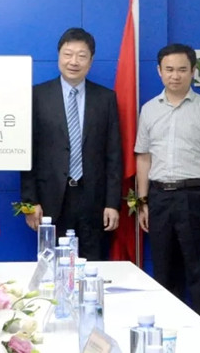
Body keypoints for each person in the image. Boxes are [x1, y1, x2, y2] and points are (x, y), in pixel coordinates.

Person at [134, 44, 200, 316]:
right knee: (164, 268)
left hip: (195, 197)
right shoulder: (149, 110)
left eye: (181, 69)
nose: (175, 75)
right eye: (169, 69)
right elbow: (143, 158)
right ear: (159, 71)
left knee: (199, 269)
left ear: (193, 71)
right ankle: (167, 327)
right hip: (159, 197)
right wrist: (142, 202)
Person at [20, 27, 122, 260]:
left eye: (81, 56)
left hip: (94, 199)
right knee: (52, 264)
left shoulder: (105, 98)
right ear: (59, 56)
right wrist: (29, 203)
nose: (74, 61)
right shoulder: (37, 96)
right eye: (68, 54)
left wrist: (112, 203)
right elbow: (27, 153)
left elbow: (113, 154)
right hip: (51, 199)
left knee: (94, 263)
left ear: (91, 61)